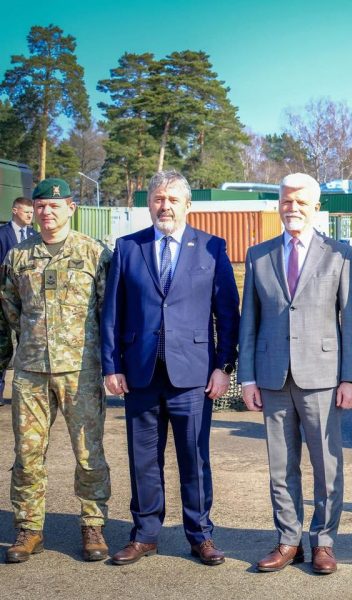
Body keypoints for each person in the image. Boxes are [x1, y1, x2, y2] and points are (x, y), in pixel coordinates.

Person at [101, 170, 239, 566]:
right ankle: (145, 534)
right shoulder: (128, 247)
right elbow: (112, 313)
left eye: (173, 199)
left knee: (194, 459)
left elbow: (228, 313)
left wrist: (224, 366)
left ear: (187, 205)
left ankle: (201, 535)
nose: (165, 206)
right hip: (140, 373)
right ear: (149, 203)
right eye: (159, 199)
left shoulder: (211, 248)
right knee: (143, 459)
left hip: (193, 376)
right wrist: (112, 365)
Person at [239, 172, 352, 574]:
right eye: (286, 201)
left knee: (327, 467)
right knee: (281, 466)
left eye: (301, 201)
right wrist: (247, 377)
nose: (293, 208)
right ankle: (288, 540)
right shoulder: (259, 255)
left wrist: (351, 378)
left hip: (323, 378)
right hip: (272, 376)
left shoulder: (339, 254)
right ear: (279, 204)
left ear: (316, 207)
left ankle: (323, 542)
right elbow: (249, 321)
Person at [2, 178, 111, 563]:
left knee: (88, 453)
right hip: (31, 372)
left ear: (71, 208)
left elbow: (108, 313)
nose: (47, 212)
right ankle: (29, 528)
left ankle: (93, 524)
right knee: (28, 454)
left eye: (54, 205)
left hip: (80, 371)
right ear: (33, 211)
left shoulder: (95, 253)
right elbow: (8, 310)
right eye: (40, 206)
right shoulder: (18, 256)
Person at [0, 197, 36, 400]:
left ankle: (26, 391)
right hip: (3, 299)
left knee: (27, 344)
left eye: (31, 212)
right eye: (26, 212)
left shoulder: (35, 235)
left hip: (27, 300)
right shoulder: (2, 234)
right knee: (2, 348)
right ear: (15, 211)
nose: (30, 215)